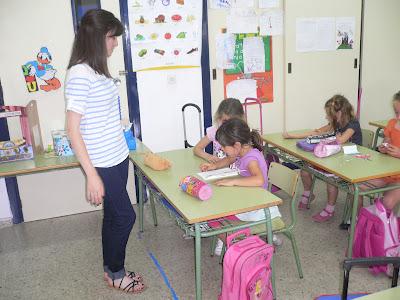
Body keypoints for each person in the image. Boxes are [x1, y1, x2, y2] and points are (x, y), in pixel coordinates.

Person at [65, 9, 145, 294]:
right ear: (99, 38)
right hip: (102, 163)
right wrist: (92, 176)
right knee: (125, 216)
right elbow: (73, 130)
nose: (114, 44)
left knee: (113, 215)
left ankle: (111, 271)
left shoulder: (97, 70)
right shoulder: (80, 74)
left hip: (117, 156)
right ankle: (117, 272)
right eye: (112, 38)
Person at [201, 118, 282, 255]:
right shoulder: (241, 152)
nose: (221, 148)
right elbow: (229, 159)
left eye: (223, 146)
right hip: (246, 199)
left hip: (255, 207)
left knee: (212, 217)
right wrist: (214, 166)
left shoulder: (250, 158)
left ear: (236, 146)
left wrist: (232, 182)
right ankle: (265, 235)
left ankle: (234, 243)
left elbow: (258, 179)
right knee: (217, 209)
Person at [283, 95, 362, 222]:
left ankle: (330, 209)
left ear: (340, 113)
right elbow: (317, 132)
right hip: (337, 158)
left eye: (330, 115)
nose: (327, 117)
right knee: (304, 170)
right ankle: (308, 194)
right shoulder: (337, 123)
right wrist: (292, 135)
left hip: (351, 163)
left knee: (330, 180)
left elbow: (341, 139)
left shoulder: (353, 124)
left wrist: (332, 133)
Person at [360, 92, 400, 211]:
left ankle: (383, 226)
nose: (398, 117)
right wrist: (383, 148)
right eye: (397, 112)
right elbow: (386, 143)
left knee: (387, 203)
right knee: (357, 188)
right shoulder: (392, 124)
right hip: (386, 173)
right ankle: (359, 219)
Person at [193, 98, 244, 162]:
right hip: (218, 169)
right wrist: (209, 157)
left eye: (232, 121)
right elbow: (197, 149)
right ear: (219, 118)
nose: (228, 126)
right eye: (225, 121)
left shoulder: (243, 133)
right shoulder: (214, 131)